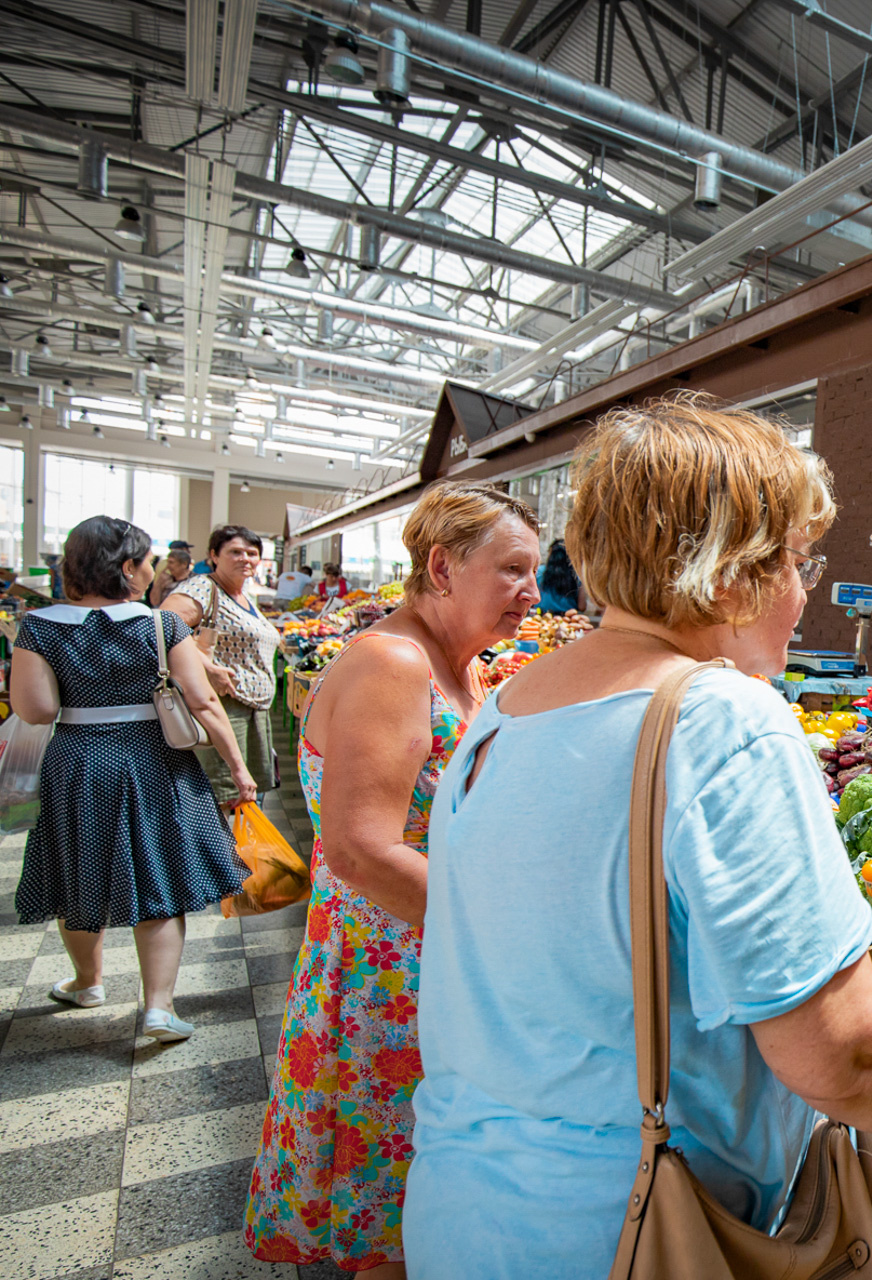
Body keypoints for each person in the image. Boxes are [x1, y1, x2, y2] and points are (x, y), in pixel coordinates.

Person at [402, 395, 872, 1278]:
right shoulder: (721, 720)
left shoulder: (505, 712)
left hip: (462, 1213)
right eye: (795, 562)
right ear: (728, 572)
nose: (800, 594)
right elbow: (848, 1054)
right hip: (634, 1238)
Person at [245, 482, 542, 1277]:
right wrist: (502, 935)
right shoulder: (392, 662)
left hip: (431, 954)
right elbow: (358, 848)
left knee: (428, 1189)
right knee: (390, 1207)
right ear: (442, 568)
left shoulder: (461, 667)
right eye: (513, 570)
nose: (532, 593)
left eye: (535, 573)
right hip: (390, 968)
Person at [9, 516, 257, 1042]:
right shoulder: (159, 626)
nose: (152, 570)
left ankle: (87, 981)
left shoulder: (39, 626)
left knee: (78, 868)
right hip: (156, 760)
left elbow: (36, 708)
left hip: (79, 761)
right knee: (161, 877)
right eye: (147, 561)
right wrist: (238, 769)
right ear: (127, 568)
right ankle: (159, 1009)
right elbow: (205, 702)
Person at [161, 527, 280, 803]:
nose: (245, 559)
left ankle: (238, 846)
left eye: (252, 553)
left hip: (252, 710)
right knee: (227, 796)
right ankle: (223, 847)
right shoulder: (204, 587)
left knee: (247, 796)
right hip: (223, 708)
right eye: (235, 552)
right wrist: (208, 668)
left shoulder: (243, 595)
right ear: (214, 555)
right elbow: (163, 625)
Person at [534, 538, 584, 613]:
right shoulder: (576, 576)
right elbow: (582, 606)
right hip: (568, 620)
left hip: (540, 619)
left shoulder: (539, 572)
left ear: (550, 554)